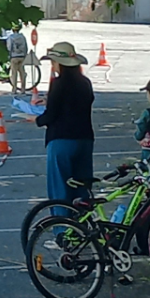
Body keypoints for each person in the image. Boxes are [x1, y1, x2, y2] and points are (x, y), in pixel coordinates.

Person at [36, 42, 95, 215]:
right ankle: (83, 227)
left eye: (53, 62)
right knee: (82, 188)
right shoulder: (85, 82)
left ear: (60, 63)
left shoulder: (58, 83)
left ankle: (63, 231)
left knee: (60, 188)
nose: (52, 65)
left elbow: (51, 114)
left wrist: (37, 119)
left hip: (61, 139)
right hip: (85, 138)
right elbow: (79, 104)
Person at [4, 29, 31, 94]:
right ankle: (23, 89)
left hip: (14, 57)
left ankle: (14, 89)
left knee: (14, 74)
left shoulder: (11, 37)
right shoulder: (22, 37)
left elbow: (9, 47)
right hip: (22, 56)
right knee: (22, 73)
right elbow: (26, 46)